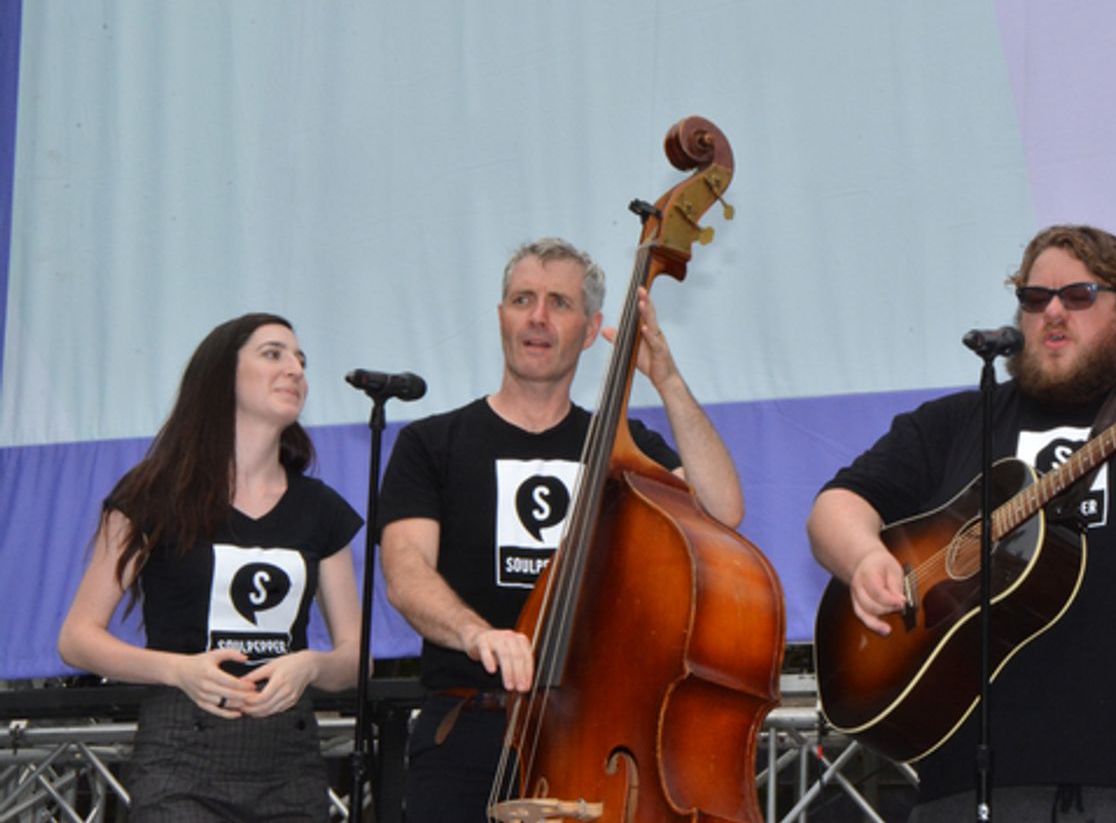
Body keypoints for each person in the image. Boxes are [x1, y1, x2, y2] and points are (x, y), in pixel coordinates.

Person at [807, 225, 1116, 822]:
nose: (1053, 312)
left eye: (1079, 296)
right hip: (974, 788)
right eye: (1036, 299)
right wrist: (864, 559)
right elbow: (836, 507)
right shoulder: (955, 423)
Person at [379, 236, 744, 821]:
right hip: (465, 729)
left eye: (560, 303)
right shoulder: (431, 444)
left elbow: (722, 512)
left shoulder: (621, 449)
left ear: (592, 326)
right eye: (523, 299)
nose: (539, 318)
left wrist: (667, 380)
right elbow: (405, 572)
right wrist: (478, 634)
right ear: (502, 316)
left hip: (589, 734)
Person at [58, 313, 363, 821]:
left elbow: (358, 658)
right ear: (222, 376)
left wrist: (311, 664)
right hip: (181, 757)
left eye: (301, 361)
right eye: (273, 354)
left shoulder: (321, 509)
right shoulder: (152, 496)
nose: (295, 370)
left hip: (290, 765)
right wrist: (178, 670)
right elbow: (77, 638)